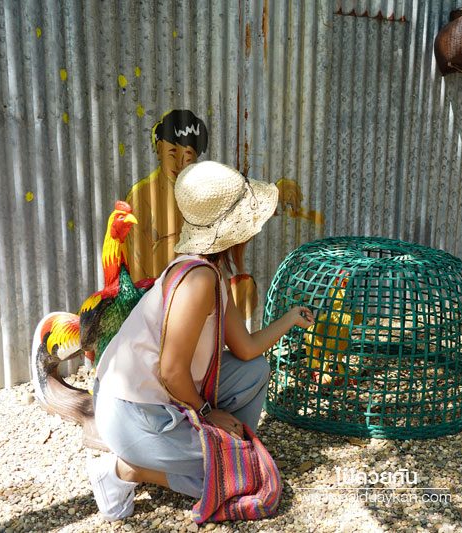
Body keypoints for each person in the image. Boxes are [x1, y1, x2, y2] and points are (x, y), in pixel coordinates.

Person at [88, 160, 315, 521]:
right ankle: (125, 470)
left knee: (254, 371)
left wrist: (289, 320)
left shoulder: (210, 274)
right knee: (245, 479)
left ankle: (217, 449)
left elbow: (246, 350)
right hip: (132, 413)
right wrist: (210, 414)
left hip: (159, 400)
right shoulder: (197, 281)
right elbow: (172, 370)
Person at [126, 109, 209, 281]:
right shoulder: (142, 196)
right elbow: (143, 265)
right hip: (153, 290)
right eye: (172, 153)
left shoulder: (201, 196)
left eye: (187, 157)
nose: (179, 164)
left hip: (193, 285)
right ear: (159, 148)